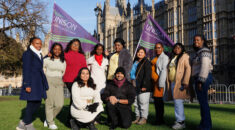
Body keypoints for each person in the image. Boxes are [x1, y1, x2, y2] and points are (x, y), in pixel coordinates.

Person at [16, 37, 49, 130]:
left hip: (38, 82)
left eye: (40, 43)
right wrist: (27, 84)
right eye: (37, 43)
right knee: (31, 104)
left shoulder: (39, 54)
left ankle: (25, 122)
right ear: (31, 44)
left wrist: (46, 56)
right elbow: (26, 70)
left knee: (37, 102)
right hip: (32, 82)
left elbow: (38, 64)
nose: (39, 45)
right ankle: (25, 123)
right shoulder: (28, 54)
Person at [167, 43, 191, 129]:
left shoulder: (185, 56)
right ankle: (179, 120)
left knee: (178, 102)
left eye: (179, 48)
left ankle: (181, 122)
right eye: (175, 48)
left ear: (182, 49)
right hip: (173, 82)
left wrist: (185, 81)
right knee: (176, 102)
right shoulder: (173, 57)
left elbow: (188, 69)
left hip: (180, 82)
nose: (177, 49)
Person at [63, 39, 87, 124]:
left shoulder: (81, 56)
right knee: (74, 99)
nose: (75, 46)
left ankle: (76, 118)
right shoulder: (65, 54)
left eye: (77, 45)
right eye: (74, 44)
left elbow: (85, 68)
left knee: (77, 99)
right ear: (70, 45)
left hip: (79, 80)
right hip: (69, 80)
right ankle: (70, 120)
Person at [192, 34, 213, 130]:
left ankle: (206, 126)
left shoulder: (204, 51)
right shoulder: (199, 52)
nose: (196, 42)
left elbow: (204, 66)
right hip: (201, 78)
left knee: (204, 103)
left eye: (198, 40)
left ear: (203, 41)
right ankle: (203, 124)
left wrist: (200, 81)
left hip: (203, 78)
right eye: (194, 40)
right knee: (202, 103)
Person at [43, 43, 66, 129]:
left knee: (60, 104)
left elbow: (63, 72)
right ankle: (51, 123)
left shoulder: (63, 61)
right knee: (49, 103)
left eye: (59, 49)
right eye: (55, 49)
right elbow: (39, 65)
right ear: (52, 50)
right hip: (49, 80)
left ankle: (48, 118)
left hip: (59, 81)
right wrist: (45, 56)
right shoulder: (47, 60)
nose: (57, 51)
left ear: (61, 51)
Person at [131, 47, 152, 125]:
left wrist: (144, 85)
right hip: (134, 84)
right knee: (136, 102)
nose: (140, 53)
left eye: (142, 52)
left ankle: (144, 118)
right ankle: (137, 116)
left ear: (144, 54)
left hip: (143, 85)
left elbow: (147, 75)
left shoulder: (146, 62)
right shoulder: (135, 61)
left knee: (143, 102)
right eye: (138, 52)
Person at [151, 42, 169, 125]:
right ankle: (158, 119)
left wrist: (160, 83)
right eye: (156, 48)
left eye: (159, 48)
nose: (157, 49)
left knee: (159, 103)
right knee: (156, 102)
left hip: (159, 82)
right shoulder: (155, 57)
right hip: (154, 83)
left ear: (162, 48)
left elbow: (163, 70)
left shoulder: (164, 57)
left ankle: (159, 120)